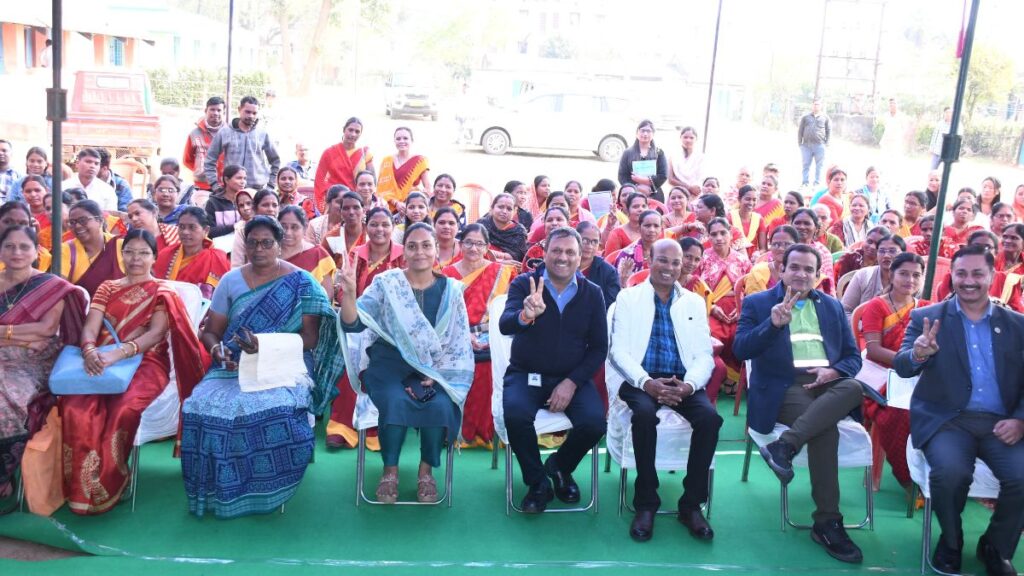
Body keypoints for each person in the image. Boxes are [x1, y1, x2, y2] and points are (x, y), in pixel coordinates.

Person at [181, 217, 344, 518]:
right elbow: (211, 332)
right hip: (233, 363)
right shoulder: (230, 281)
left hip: (287, 361)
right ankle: (218, 488)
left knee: (275, 408)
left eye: (267, 243)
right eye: (253, 243)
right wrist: (217, 350)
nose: (259, 249)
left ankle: (270, 485)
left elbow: (310, 339)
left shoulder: (301, 282)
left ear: (279, 246)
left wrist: (265, 345)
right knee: (198, 405)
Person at [892, 244, 1024, 576]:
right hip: (947, 420)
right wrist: (918, 354)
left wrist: (1020, 420)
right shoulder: (927, 318)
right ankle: (951, 541)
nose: (968, 281)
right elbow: (903, 365)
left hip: (1001, 422)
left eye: (978, 273)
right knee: (950, 473)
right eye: (961, 273)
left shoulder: (1017, 325)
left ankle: (996, 546)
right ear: (952, 276)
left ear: (992, 276)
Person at [734, 244, 866, 564]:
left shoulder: (832, 307)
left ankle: (785, 446)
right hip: (785, 387)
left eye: (809, 269)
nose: (801, 274)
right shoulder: (758, 303)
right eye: (794, 267)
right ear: (781, 269)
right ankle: (827, 521)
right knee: (825, 430)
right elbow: (740, 349)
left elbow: (852, 357)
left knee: (853, 387)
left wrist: (833, 371)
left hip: (827, 383)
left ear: (818, 275)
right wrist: (772, 325)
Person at [62, 229, 207, 514]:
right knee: (75, 407)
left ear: (154, 257)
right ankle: (81, 488)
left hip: (147, 363)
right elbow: (91, 326)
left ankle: (111, 481)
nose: (135, 259)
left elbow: (155, 334)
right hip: (100, 359)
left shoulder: (163, 291)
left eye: (143, 253)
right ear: (122, 254)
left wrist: (117, 354)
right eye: (129, 252)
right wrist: (89, 350)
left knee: (123, 407)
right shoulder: (107, 287)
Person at [337, 222, 472, 502]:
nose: (419, 251)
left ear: (436, 249)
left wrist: (436, 375)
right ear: (404, 251)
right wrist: (348, 294)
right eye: (412, 246)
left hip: (434, 369)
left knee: (439, 404)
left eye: (426, 245)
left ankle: (426, 472)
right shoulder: (387, 284)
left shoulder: (451, 291)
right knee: (395, 400)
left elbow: (458, 341)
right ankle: (390, 471)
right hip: (387, 365)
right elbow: (353, 324)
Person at [608, 238, 721, 542]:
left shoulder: (693, 302)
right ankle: (646, 503)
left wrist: (689, 385)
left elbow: (703, 355)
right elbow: (618, 352)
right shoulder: (628, 298)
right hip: (640, 380)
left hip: (681, 380)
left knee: (710, 419)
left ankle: (691, 505)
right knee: (644, 415)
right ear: (649, 259)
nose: (669, 267)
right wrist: (647, 383)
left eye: (675, 262)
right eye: (663, 260)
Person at [499, 227, 607, 513]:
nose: (563, 257)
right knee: (516, 415)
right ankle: (538, 483)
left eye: (570, 252)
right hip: (526, 374)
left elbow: (599, 348)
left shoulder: (592, 293)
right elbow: (505, 325)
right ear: (544, 253)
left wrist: (571, 382)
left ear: (580, 256)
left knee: (595, 424)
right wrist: (525, 315)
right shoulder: (524, 284)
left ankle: (560, 466)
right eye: (556, 250)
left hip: (572, 376)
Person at [0, 226, 87, 512]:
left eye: (24, 246)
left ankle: (3, 479)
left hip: (33, 363)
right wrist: (23, 337)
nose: (16, 252)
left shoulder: (50, 286)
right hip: (18, 351)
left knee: (5, 402)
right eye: (9, 246)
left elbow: (47, 329)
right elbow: (35, 333)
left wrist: (8, 334)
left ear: (37, 251)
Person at [325, 207, 404, 450]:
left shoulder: (403, 256)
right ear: (366, 227)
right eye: (374, 224)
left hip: (392, 327)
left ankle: (376, 428)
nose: (380, 229)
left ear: (393, 228)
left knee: (382, 367)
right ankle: (343, 425)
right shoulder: (355, 254)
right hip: (358, 320)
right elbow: (342, 289)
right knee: (352, 360)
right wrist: (354, 307)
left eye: (385, 225)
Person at [858, 252, 929, 492]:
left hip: (916, 376)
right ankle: (908, 478)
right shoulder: (876, 306)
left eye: (916, 275)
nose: (910, 280)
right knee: (901, 414)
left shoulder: (925, 308)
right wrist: (909, 362)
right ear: (892, 274)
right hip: (881, 376)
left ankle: (934, 474)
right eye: (904, 274)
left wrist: (916, 365)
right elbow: (874, 350)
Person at [441, 224, 516, 447]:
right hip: (455, 337)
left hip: (491, 337)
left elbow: (508, 310)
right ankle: (458, 430)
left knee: (492, 364)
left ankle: (489, 431)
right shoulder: (446, 274)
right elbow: (443, 315)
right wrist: (463, 336)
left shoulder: (502, 273)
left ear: (487, 247)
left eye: (479, 244)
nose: (473, 248)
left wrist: (490, 337)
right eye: (469, 243)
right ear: (460, 244)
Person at [700, 218, 751, 387]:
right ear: (708, 237)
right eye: (714, 234)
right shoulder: (702, 258)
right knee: (712, 334)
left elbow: (750, 288)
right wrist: (711, 307)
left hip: (737, 308)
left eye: (723, 233)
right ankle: (715, 378)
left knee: (739, 335)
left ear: (730, 235)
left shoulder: (742, 260)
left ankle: (733, 380)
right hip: (709, 308)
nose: (719, 238)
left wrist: (742, 307)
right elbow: (694, 287)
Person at [203, 96, 280, 192]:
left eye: (254, 113)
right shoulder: (224, 132)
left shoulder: (262, 134)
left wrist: (271, 186)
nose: (251, 116)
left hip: (257, 190)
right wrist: (214, 184)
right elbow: (209, 160)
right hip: (230, 191)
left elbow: (276, 161)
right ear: (239, 109)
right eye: (247, 112)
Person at [154, 207, 230, 299]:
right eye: (181, 227)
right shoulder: (165, 254)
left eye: (192, 227)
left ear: (206, 230)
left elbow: (224, 295)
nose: (185, 232)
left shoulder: (217, 258)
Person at [59, 200, 125, 295]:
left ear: (100, 220)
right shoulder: (66, 249)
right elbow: (60, 288)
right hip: (84, 304)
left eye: (83, 220)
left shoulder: (120, 245)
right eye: (72, 222)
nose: (77, 226)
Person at [313, 118, 374, 214]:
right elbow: (319, 180)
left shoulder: (364, 154)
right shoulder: (329, 153)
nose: (353, 134)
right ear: (344, 130)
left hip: (356, 202)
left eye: (357, 131)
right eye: (350, 130)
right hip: (335, 201)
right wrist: (326, 201)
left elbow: (371, 181)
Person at [841, 235, 906, 316]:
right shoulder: (863, 275)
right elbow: (845, 312)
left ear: (903, 254)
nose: (886, 255)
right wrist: (864, 324)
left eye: (892, 251)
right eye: (881, 251)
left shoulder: (911, 280)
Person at [280, 205, 336, 295]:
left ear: (305, 228)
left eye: (294, 227)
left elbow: (327, 296)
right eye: (283, 227)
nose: (288, 232)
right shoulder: (270, 255)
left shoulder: (318, 255)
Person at [377, 126, 430, 213]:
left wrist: (413, 200)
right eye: (398, 139)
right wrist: (396, 203)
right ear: (394, 141)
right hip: (388, 207)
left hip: (410, 207)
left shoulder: (420, 161)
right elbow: (381, 188)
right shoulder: (387, 161)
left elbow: (427, 188)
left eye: (405, 138)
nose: (402, 141)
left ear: (411, 140)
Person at [184, 96, 226, 194]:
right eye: (212, 109)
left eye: (219, 110)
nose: (215, 113)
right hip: (201, 186)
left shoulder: (230, 134)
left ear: (223, 112)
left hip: (224, 186)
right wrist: (201, 171)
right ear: (206, 110)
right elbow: (187, 160)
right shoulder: (194, 134)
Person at [618, 120, 668, 202]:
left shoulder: (659, 152)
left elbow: (663, 175)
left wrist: (643, 181)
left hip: (654, 193)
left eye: (648, 131)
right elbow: (622, 176)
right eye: (642, 130)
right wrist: (636, 187)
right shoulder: (627, 153)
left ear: (653, 134)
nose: (645, 134)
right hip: (633, 194)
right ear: (637, 133)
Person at [231, 189, 280, 268]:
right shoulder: (243, 230)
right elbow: (236, 264)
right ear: (255, 208)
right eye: (265, 205)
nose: (271, 209)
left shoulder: (284, 228)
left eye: (274, 205)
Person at [745, 225, 800, 295]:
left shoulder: (804, 272)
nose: (781, 248)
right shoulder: (758, 272)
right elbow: (754, 300)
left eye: (787, 244)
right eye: (776, 244)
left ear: (797, 246)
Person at [577, 221, 620, 308]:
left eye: (594, 242)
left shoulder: (609, 272)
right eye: (585, 240)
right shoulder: (565, 266)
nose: (590, 246)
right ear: (575, 240)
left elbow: (610, 305)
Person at [478, 193, 528, 263]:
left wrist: (491, 255)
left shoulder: (519, 231)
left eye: (509, 209)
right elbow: (474, 247)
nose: (504, 211)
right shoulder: (482, 224)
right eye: (500, 207)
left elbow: (517, 256)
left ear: (514, 211)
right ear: (492, 208)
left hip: (507, 267)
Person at [320, 191, 365, 267]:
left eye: (356, 207)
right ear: (340, 212)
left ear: (363, 210)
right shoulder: (330, 239)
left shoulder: (371, 234)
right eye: (346, 208)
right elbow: (323, 268)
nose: (351, 212)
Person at [522, 206, 570, 273]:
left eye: (559, 219)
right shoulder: (535, 251)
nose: (554, 223)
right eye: (549, 220)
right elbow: (526, 276)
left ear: (568, 223)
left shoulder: (575, 248)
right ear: (544, 225)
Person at [205, 164, 246, 239]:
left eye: (244, 178)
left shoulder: (247, 201)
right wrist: (234, 226)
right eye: (239, 178)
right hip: (220, 244)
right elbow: (209, 231)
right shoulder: (213, 203)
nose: (243, 182)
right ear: (226, 180)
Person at [797, 98, 830, 188]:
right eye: (815, 104)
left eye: (818, 104)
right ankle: (805, 183)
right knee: (805, 165)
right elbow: (800, 130)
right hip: (806, 146)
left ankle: (817, 183)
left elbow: (828, 130)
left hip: (819, 145)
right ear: (812, 106)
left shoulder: (825, 118)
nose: (816, 106)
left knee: (819, 165)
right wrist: (800, 143)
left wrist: (826, 143)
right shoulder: (805, 117)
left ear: (821, 106)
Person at [603, 192, 648, 256]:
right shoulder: (617, 234)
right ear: (627, 210)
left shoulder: (654, 230)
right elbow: (610, 259)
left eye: (644, 206)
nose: (641, 209)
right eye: (635, 207)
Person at [666, 126, 704, 197]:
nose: (688, 140)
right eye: (685, 137)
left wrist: (694, 189)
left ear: (696, 139)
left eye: (691, 138)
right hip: (677, 193)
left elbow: (702, 179)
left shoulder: (701, 157)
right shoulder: (673, 156)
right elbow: (670, 179)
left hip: (695, 193)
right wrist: (689, 188)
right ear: (680, 138)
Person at [730, 185, 767, 257]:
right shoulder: (730, 217)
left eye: (754, 200)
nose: (751, 203)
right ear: (739, 199)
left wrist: (758, 253)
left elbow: (763, 249)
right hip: (734, 258)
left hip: (753, 259)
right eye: (748, 199)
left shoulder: (759, 219)